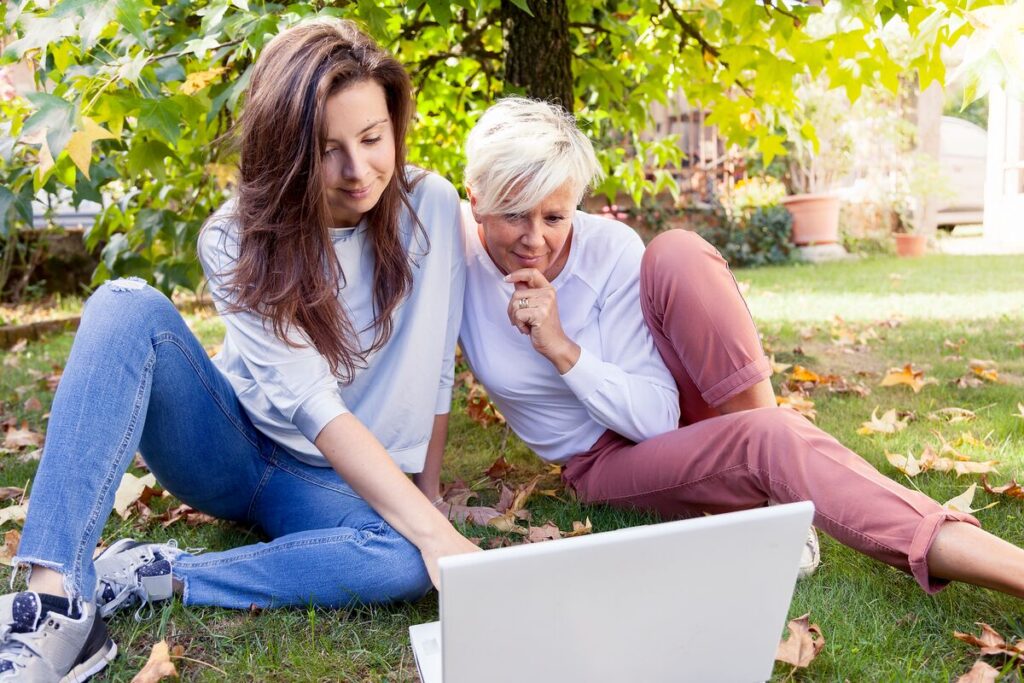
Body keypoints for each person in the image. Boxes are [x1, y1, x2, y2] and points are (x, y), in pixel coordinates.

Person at [0, 19, 478, 682]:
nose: (357, 169)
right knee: (125, 303)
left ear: (394, 125)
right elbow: (310, 404)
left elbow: (436, 371)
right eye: (326, 149)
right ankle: (55, 602)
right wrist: (436, 533)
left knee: (400, 559)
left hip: (329, 484)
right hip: (227, 448)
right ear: (287, 150)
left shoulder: (431, 210)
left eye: (372, 139)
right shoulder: (236, 236)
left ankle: (154, 573)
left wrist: (430, 505)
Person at [457, 96, 1024, 606]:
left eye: (555, 216)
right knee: (770, 440)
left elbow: (657, 416)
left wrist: (562, 349)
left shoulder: (608, 248)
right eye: (513, 213)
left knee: (678, 252)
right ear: (476, 200)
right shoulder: (449, 261)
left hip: (667, 414)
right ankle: (777, 477)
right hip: (603, 462)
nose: (535, 238)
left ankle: (781, 494)